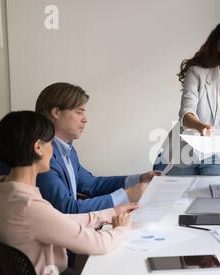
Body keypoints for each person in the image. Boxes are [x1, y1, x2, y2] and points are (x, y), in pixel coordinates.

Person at [0, 111, 137, 275]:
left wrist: (111, 212)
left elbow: (58, 221)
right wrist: (122, 229)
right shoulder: (29, 207)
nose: (53, 151)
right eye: (51, 143)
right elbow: (98, 244)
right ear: (38, 147)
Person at [154, 17, 220, 175]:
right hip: (182, 150)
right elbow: (186, 114)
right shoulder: (197, 72)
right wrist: (203, 127)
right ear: (219, 45)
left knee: (217, 197)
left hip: (216, 155)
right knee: (172, 196)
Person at [35, 82, 161, 214]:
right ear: (56, 112)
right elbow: (67, 209)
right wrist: (126, 196)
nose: (85, 119)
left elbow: (92, 184)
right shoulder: (40, 155)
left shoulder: (69, 151)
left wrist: (140, 179)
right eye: (79, 112)